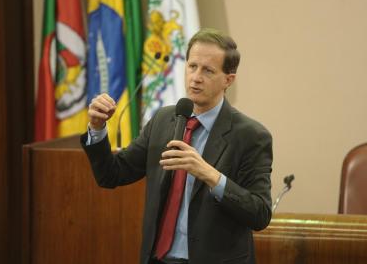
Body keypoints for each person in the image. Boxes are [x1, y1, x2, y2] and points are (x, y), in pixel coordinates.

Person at [81, 28, 273, 264]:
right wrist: (97, 128)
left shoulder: (251, 136)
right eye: (192, 66)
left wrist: (211, 175)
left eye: (208, 70)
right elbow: (111, 174)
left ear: (228, 79)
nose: (196, 77)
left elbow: (260, 214)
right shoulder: (164, 120)